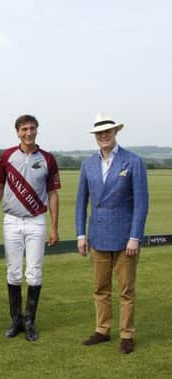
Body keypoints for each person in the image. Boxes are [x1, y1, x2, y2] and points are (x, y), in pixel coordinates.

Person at [75, 113, 149, 354]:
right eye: (99, 132)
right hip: (97, 236)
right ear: (95, 136)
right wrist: (80, 235)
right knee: (100, 288)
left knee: (126, 290)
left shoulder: (133, 161)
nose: (103, 135)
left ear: (116, 132)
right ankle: (102, 330)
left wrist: (135, 236)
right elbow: (80, 202)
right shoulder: (87, 164)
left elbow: (141, 203)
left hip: (125, 236)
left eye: (108, 131)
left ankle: (126, 334)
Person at [0, 114, 60, 341]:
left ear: (37, 130)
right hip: (11, 220)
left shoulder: (48, 158)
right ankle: (16, 321)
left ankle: (30, 321)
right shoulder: (7, 156)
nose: (28, 132)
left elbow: (53, 194)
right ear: (17, 132)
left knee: (34, 272)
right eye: (24, 129)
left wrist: (54, 227)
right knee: (13, 271)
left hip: (36, 221)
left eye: (32, 128)